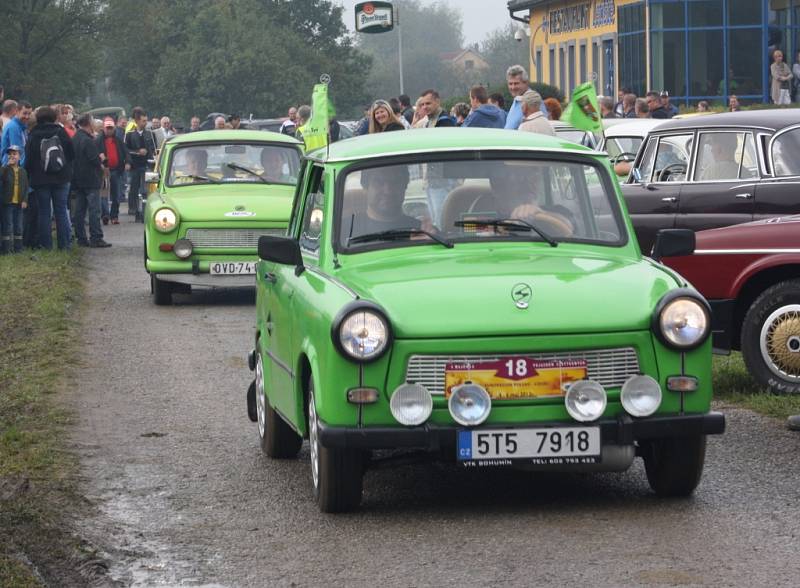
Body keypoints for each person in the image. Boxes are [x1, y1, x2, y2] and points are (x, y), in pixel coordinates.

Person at [25, 105, 75, 250]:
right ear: (54, 117)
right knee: (61, 210)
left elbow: (28, 159)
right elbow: (71, 153)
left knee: (44, 212)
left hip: (41, 180)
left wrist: (30, 174)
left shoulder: (33, 134)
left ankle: (46, 245)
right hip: (61, 177)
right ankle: (65, 245)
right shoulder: (60, 131)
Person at [348, 165, 420, 238]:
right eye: (378, 182)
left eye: (395, 182)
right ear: (365, 188)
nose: (387, 191)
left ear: (405, 187)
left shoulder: (420, 231)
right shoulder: (345, 230)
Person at [72, 113, 110, 248]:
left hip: (78, 178)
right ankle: (96, 237)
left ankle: (81, 237)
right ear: (88, 123)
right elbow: (94, 160)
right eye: (93, 120)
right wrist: (101, 158)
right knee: (94, 209)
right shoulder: (88, 140)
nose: (94, 123)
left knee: (80, 210)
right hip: (90, 178)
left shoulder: (75, 138)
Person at [124, 106, 154, 222]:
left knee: (146, 190)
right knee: (134, 189)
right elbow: (125, 150)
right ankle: (135, 210)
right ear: (137, 121)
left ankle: (146, 212)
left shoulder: (150, 134)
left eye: (146, 120)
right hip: (135, 166)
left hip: (147, 165)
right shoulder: (130, 134)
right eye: (143, 121)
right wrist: (137, 152)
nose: (145, 123)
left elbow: (153, 148)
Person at [96, 117, 127, 225]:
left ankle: (114, 216)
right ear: (104, 128)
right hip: (104, 171)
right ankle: (105, 214)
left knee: (116, 194)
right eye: (107, 128)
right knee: (104, 194)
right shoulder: (98, 140)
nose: (109, 130)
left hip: (116, 170)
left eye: (111, 128)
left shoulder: (118, 140)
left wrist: (127, 162)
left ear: (114, 128)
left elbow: (125, 152)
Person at [0, 145, 29, 254]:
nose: (12, 156)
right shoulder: (5, 169)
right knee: (8, 225)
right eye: (10, 154)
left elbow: (26, 187)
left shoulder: (23, 171)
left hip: (19, 203)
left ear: (20, 157)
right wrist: (5, 166)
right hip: (7, 202)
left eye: (15, 154)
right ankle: (6, 249)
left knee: (18, 225)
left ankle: (18, 248)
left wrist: (25, 200)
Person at [1, 100, 31, 166]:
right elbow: (16, 151)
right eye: (24, 113)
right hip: (11, 168)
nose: (27, 117)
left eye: (29, 114)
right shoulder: (14, 127)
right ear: (17, 111)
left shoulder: (22, 127)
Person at [504, 64, 531, 130]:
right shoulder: (516, 100)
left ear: (526, 83)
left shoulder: (533, 101)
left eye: (516, 83)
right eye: (510, 84)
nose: (513, 87)